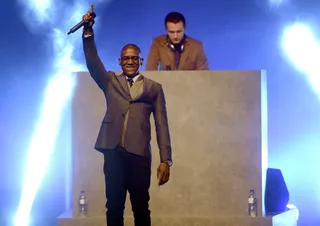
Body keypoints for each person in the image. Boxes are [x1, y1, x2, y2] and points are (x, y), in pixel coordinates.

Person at [81, 10, 173, 226]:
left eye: (134, 58)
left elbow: (162, 125)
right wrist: (88, 32)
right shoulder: (110, 81)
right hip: (114, 152)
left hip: (140, 155)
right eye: (126, 58)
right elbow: (93, 62)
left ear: (140, 60)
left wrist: (165, 159)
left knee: (141, 207)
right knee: (113, 206)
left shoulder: (154, 88)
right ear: (120, 61)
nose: (130, 61)